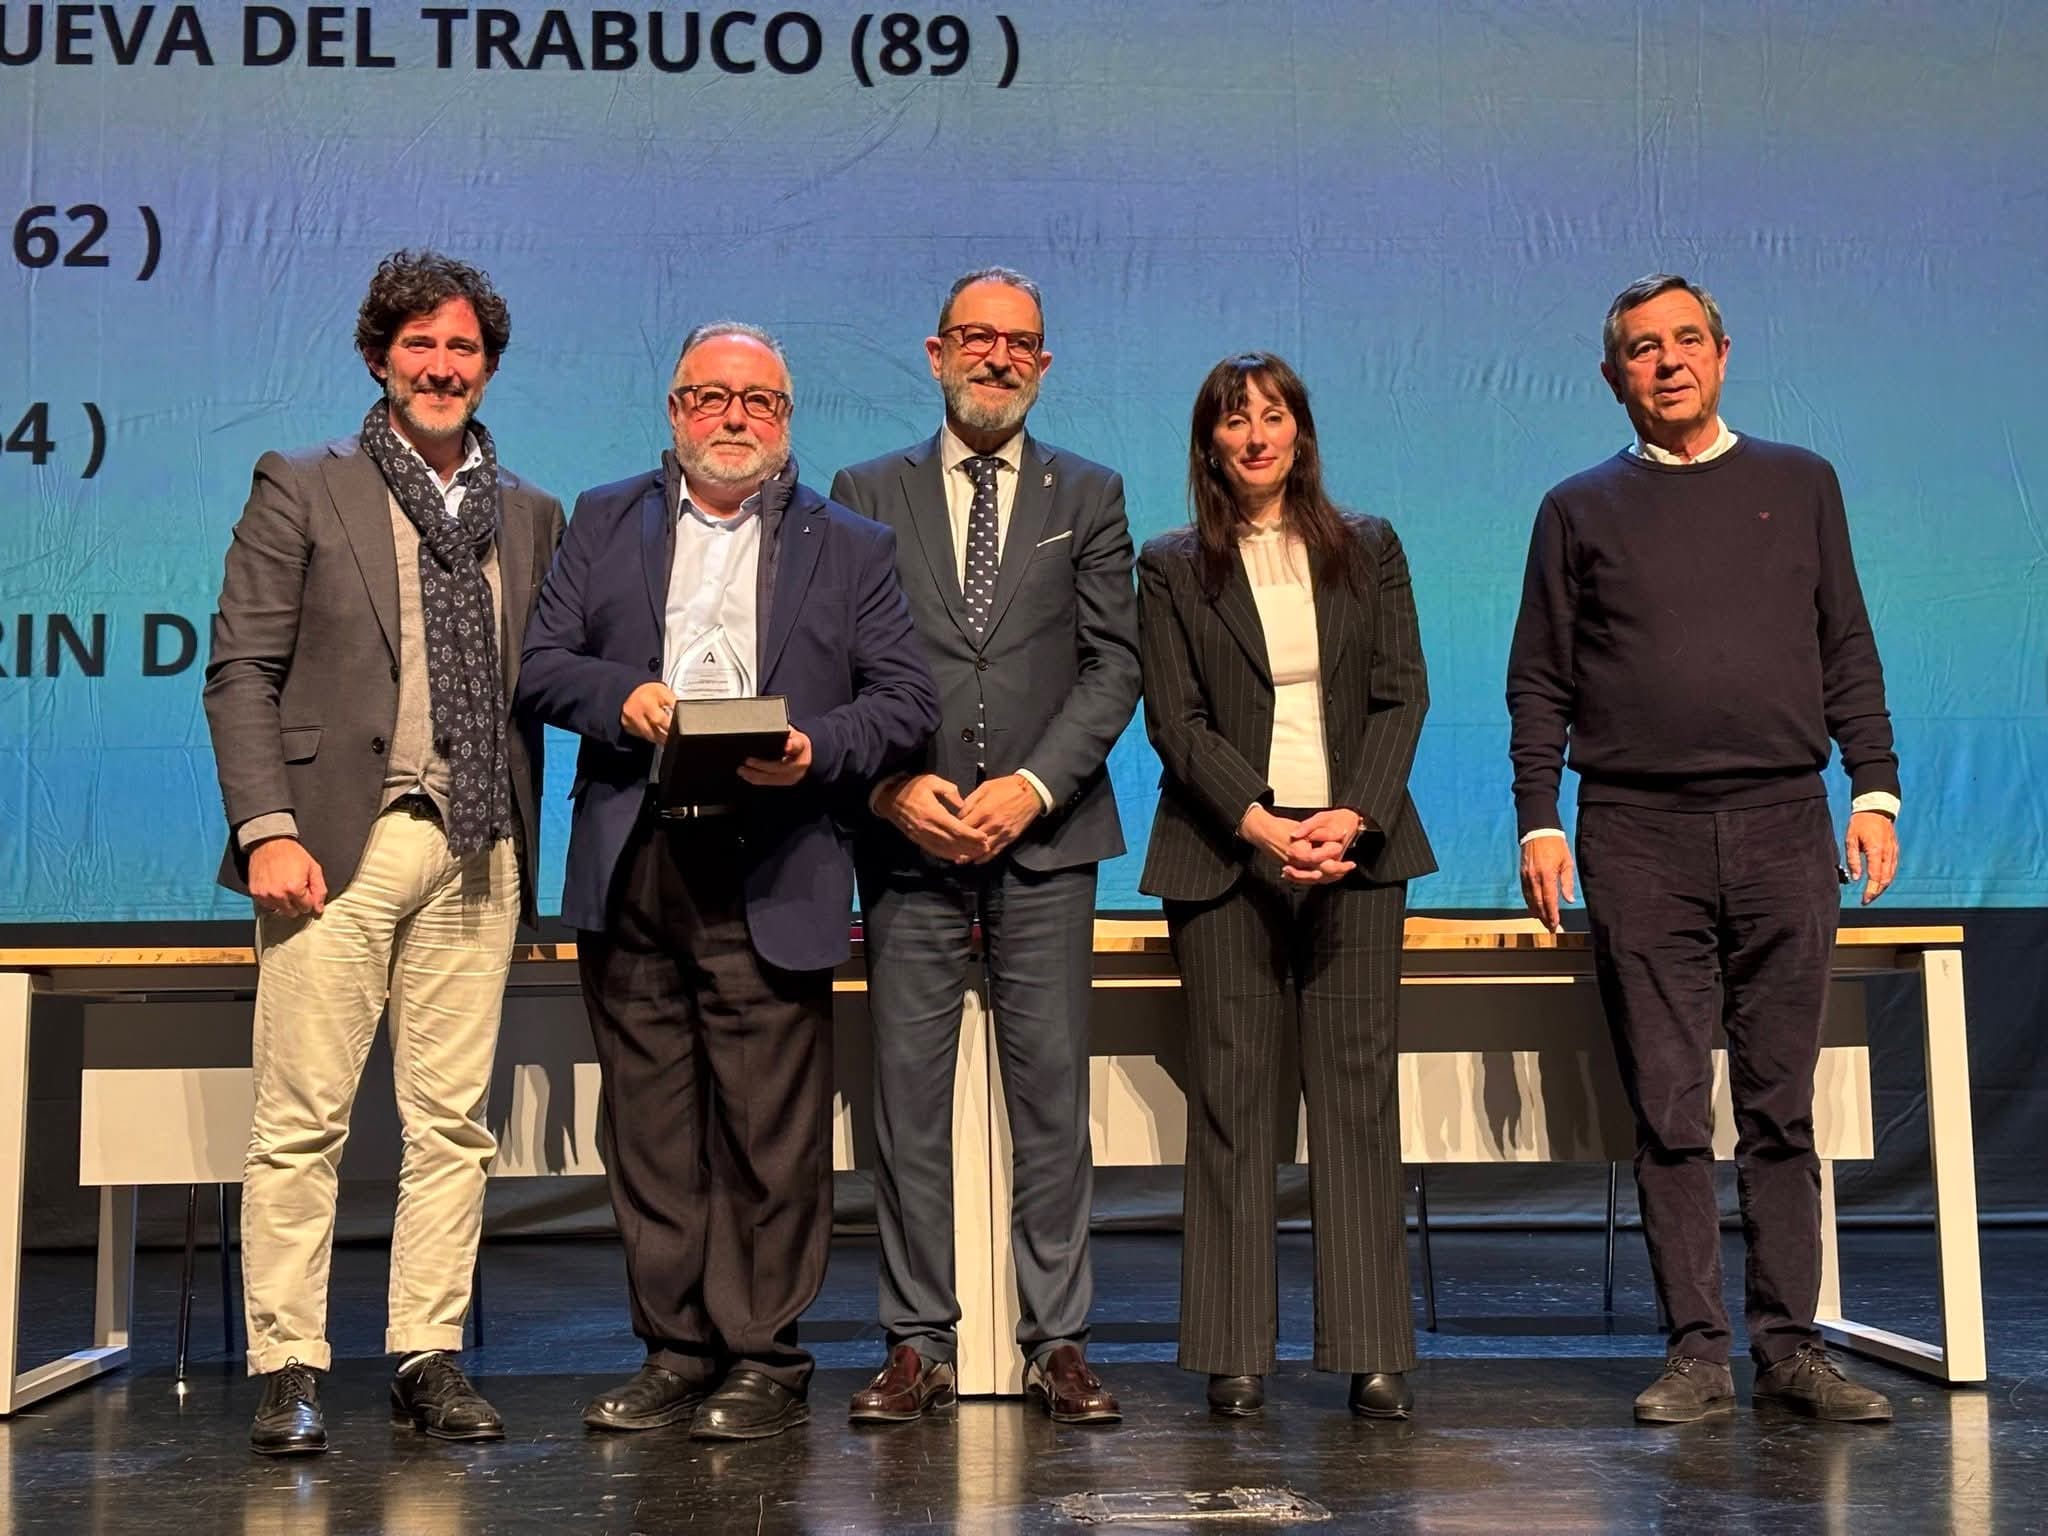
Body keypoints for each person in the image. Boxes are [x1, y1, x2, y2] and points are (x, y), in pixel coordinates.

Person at [517, 322, 938, 1442]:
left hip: (773, 855)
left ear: (787, 419)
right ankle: (674, 1348)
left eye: (759, 402)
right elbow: (542, 663)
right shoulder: (603, 519)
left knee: (767, 1134)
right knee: (652, 1130)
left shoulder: (849, 543)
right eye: (711, 398)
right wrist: (624, 698)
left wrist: (814, 747)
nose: (734, 419)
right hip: (637, 855)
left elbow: (904, 700)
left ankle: (762, 1355)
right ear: (674, 410)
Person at [1507, 273, 1902, 1425]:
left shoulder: (1799, 483)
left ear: (1722, 355)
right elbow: (1538, 679)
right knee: (1670, 1108)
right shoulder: (1575, 509)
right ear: (1610, 376)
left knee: (1781, 1108)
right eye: (1641, 348)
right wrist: (1539, 816)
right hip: (1635, 832)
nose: (1666, 361)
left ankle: (1790, 1349)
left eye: (1686, 341)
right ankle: (1695, 1351)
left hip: (1784, 821)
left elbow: (1847, 646)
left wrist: (1870, 787)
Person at [202, 250, 564, 1455]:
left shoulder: (529, 512)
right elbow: (240, 673)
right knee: (301, 1120)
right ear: (378, 358)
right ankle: (291, 1366)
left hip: (478, 846)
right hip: (332, 847)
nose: (442, 366)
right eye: (420, 345)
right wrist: (267, 831)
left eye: (462, 349)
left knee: (451, 1123)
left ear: (488, 367)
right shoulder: (304, 485)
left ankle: (425, 1352)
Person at [829, 268, 1140, 1425]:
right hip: (906, 840)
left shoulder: (1090, 493)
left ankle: (1057, 1339)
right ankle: (917, 1343)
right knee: (902, 1103)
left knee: (1050, 1099)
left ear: (1044, 364)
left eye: (1020, 343)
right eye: (976, 337)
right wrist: (891, 784)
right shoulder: (863, 492)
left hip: (1045, 842)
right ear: (934, 351)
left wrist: (1030, 786)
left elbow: (1115, 664)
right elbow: (835, 665)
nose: (997, 357)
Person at [1136, 351, 1434, 1420]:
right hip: (1227, 853)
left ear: (1300, 433)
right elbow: (1174, 721)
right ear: (1209, 443)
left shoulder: (1369, 550)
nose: (1255, 436)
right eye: (1233, 421)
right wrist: (1263, 824)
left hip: (1356, 850)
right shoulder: (1171, 566)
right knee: (1232, 1101)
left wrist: (1348, 816)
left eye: (1272, 417)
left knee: (1353, 1099)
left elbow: (1401, 697)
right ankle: (1233, 1350)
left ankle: (1369, 1351)